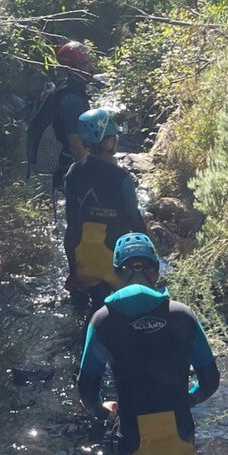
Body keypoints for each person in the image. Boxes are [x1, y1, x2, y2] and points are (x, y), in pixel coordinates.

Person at [77, 233, 219, 455]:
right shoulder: (182, 315)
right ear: (156, 272)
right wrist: (187, 397)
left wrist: (103, 410)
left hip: (132, 438)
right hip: (178, 436)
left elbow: (86, 388)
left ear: (116, 274)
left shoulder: (102, 322)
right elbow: (210, 381)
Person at [63, 109, 145, 315]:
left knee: (86, 315)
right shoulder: (121, 177)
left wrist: (73, 272)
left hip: (84, 261)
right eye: (114, 135)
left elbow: (71, 227)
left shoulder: (73, 172)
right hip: (114, 261)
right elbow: (134, 219)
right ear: (108, 141)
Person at [27, 39, 94, 198]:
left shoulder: (69, 90)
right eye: (84, 64)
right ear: (71, 69)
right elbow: (75, 146)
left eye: (90, 62)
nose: (91, 69)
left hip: (65, 167)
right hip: (68, 169)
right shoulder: (71, 100)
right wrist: (96, 171)